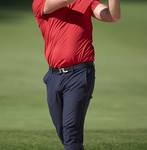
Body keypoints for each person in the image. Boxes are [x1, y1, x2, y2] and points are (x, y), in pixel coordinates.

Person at [32, 0, 120, 149]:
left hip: (79, 74)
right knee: (63, 131)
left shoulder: (87, 2)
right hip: (53, 76)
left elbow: (112, 16)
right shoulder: (40, 2)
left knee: (71, 129)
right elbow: (53, 5)